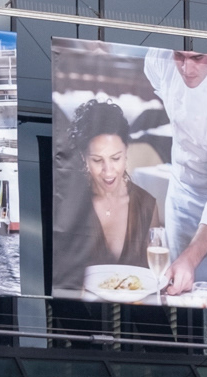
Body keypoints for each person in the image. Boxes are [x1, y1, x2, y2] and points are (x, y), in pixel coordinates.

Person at [143, 49, 207, 296]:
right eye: (179, 57)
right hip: (180, 189)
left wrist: (192, 258)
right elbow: (159, 83)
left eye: (197, 58)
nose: (186, 68)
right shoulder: (158, 59)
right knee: (176, 287)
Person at [52, 99, 162, 295]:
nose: (108, 171)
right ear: (83, 157)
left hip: (134, 318)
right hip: (81, 318)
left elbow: (153, 280)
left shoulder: (146, 205)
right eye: (97, 160)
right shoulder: (69, 206)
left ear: (126, 153)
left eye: (115, 158)